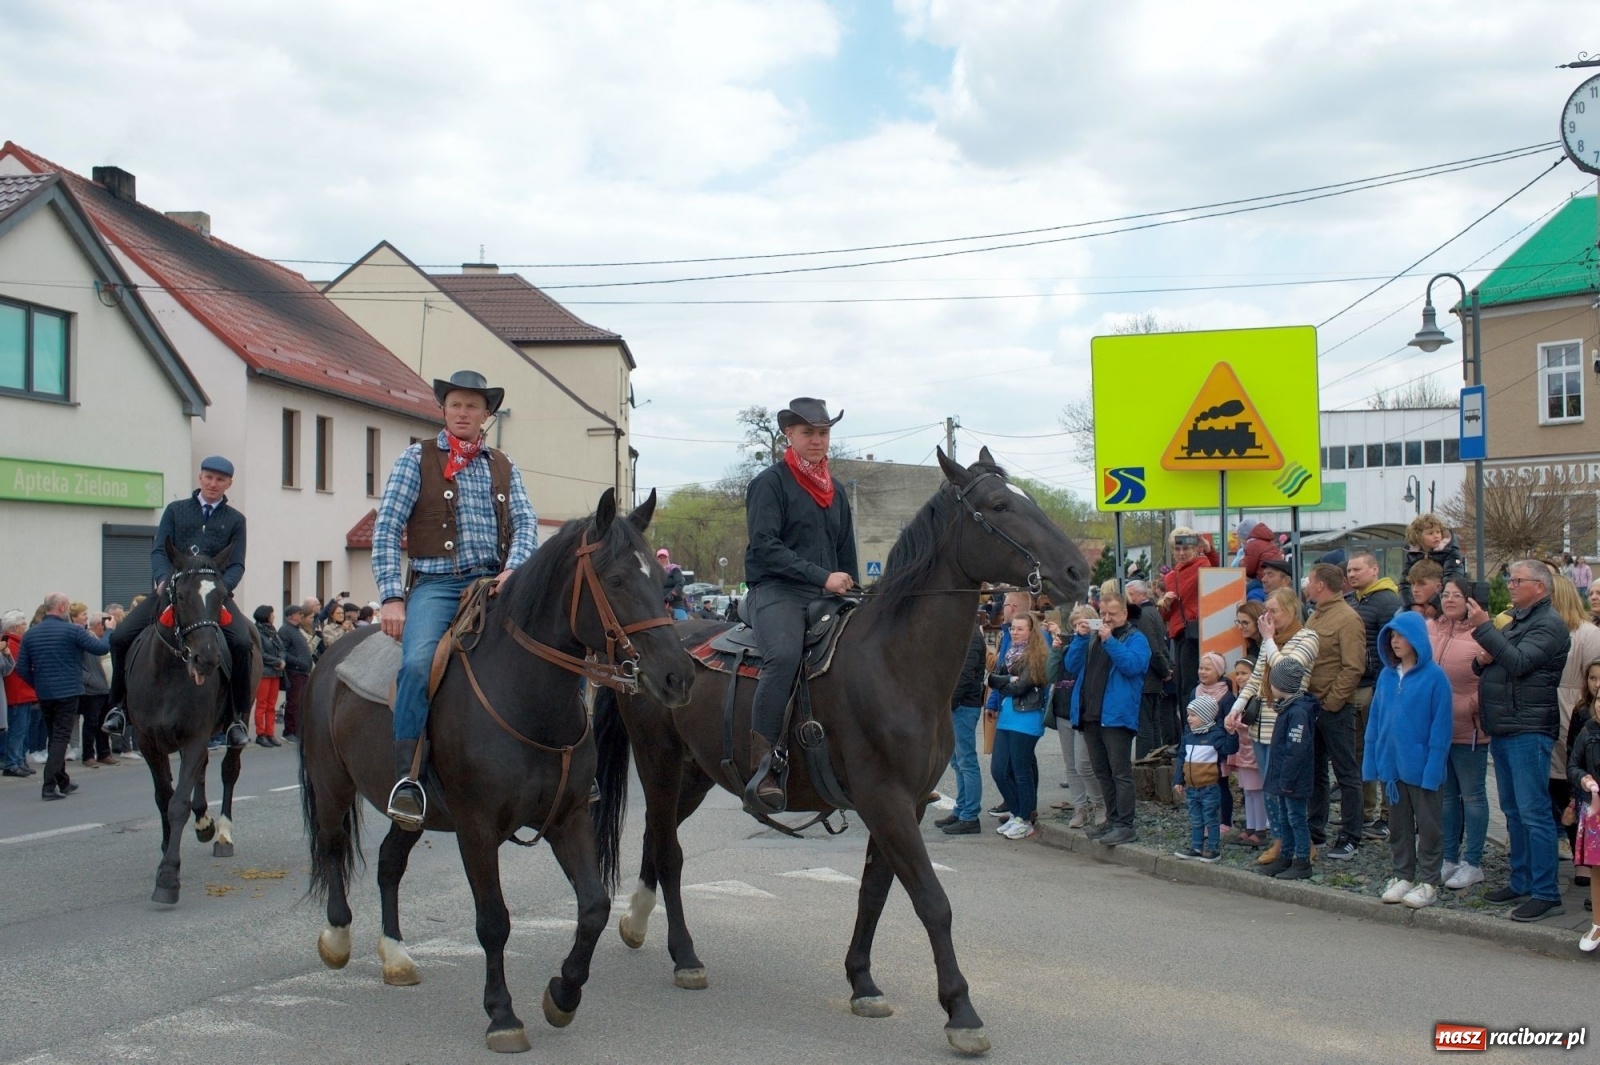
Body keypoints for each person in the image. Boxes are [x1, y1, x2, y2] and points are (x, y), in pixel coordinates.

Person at [373, 369, 539, 829]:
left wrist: (514, 567)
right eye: (455, 405)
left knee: (558, 645)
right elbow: (387, 528)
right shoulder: (415, 459)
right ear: (443, 411)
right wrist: (391, 597)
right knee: (417, 665)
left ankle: (571, 763)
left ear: (486, 414)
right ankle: (406, 778)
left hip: (496, 583)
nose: (463, 413)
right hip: (437, 585)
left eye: (472, 406)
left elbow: (526, 522)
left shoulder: (503, 464)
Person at [742, 397, 857, 811]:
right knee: (785, 657)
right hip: (777, 590)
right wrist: (821, 576)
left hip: (828, 593)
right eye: (808, 432)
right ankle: (765, 766)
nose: (817, 440)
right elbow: (765, 546)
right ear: (789, 434)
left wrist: (853, 589)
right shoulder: (769, 483)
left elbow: (847, 556)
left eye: (823, 432)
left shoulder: (836, 491)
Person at [104, 456, 253, 749]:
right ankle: (118, 708)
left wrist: (222, 588)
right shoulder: (175, 510)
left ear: (228, 484)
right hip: (173, 590)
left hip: (211, 595)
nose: (213, 484)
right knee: (121, 637)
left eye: (220, 480)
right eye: (209, 477)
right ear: (200, 478)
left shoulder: (236, 520)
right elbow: (159, 550)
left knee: (243, 643)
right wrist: (162, 579)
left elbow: (236, 564)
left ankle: (236, 717)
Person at [1469, 559, 1571, 922]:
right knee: (1512, 811)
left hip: (1529, 730)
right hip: (1506, 725)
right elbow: (1497, 660)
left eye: (1517, 580)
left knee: (1534, 813)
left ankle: (1546, 892)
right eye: (1509, 580)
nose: (1510, 585)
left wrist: (1483, 629)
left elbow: (1520, 662)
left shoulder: (1549, 625)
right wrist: (1482, 661)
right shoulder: (1518, 620)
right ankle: (1522, 878)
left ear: (1540, 587)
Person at [1365, 611, 1454, 909]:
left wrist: (1433, 769)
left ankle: (1428, 881)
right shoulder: (1387, 675)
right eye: (1391, 635)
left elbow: (1441, 728)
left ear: (1416, 639)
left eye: (1401, 635)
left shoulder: (1435, 678)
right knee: (1399, 825)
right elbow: (1375, 721)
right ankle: (1402, 874)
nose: (1395, 640)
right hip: (1392, 769)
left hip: (1422, 768)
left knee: (1429, 827)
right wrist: (1373, 761)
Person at [1227, 588, 1320, 867]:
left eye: (1274, 611)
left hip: (1286, 722)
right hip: (1261, 724)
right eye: (1266, 611)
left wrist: (1268, 640)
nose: (1267, 617)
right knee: (1270, 789)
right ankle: (1280, 841)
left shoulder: (1307, 637)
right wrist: (1235, 709)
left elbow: (1286, 669)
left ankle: (1302, 846)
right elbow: (1256, 679)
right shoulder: (1271, 642)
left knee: (1287, 789)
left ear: (1292, 609)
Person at [1064, 591, 1151, 846]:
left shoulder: (1136, 638)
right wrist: (1080, 638)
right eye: (1103, 614)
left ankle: (1125, 824)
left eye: (1112, 614)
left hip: (1117, 717)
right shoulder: (1093, 638)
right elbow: (1071, 665)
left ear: (1124, 613)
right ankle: (1111, 820)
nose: (1107, 618)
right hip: (1091, 715)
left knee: (1120, 772)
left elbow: (1133, 666)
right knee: (1102, 771)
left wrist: (1110, 641)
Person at [17, 593, 111, 800]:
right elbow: (101, 648)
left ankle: (63, 781)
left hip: (45, 693)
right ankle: (49, 786)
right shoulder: (72, 631)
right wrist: (110, 630)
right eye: (67, 605)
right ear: (60, 607)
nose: (68, 609)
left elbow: (22, 667)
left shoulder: (31, 634)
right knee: (60, 738)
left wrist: (38, 683)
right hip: (68, 691)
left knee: (54, 736)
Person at [1303, 561, 1367, 861]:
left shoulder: (1347, 618)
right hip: (1311, 706)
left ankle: (1351, 835)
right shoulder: (1316, 614)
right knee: (1315, 772)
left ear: (1320, 585)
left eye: (1310, 580)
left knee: (1345, 772)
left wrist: (1331, 702)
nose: (1306, 585)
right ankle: (1315, 829)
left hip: (1334, 708)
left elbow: (1353, 666)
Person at [1429, 576, 1489, 890]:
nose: (1450, 600)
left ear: (1470, 600)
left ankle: (1473, 862)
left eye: (1457, 595)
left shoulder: (1482, 633)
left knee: (1474, 796)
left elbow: (1492, 679)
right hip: (1438, 729)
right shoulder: (1433, 628)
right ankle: (1449, 858)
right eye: (1446, 594)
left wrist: (1471, 705)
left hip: (1471, 730)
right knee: (1448, 798)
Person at [1347, 551, 1401, 841]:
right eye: (1349, 570)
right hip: (1353, 686)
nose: (1352, 574)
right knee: (1358, 753)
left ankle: (1386, 816)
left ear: (1374, 570)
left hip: (1376, 687)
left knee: (1379, 751)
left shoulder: (1388, 602)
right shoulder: (1351, 600)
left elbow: (1392, 647)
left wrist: (1385, 685)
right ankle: (1364, 811)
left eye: (1357, 569)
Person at [985, 612, 1052, 840]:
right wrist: (1007, 682)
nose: (1015, 632)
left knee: (1021, 771)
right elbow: (992, 680)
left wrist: (1005, 683)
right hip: (1007, 717)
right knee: (998, 770)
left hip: (1027, 718)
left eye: (1020, 629)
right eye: (1013, 628)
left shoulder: (1037, 655)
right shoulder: (1010, 653)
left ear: (1031, 632)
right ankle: (1016, 814)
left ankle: (1024, 818)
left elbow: (1021, 687)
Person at [1548, 575, 1600, 867]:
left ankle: (1583, 856)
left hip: (1572, 714)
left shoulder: (1587, 633)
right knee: (1552, 785)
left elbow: (1594, 678)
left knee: (1572, 785)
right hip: (1546, 712)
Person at [1260, 657, 1319, 880]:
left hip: (1293, 779)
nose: (1270, 686)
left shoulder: (1297, 713)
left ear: (1281, 684)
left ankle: (1302, 860)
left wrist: (1287, 779)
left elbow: (1296, 750)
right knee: (1285, 817)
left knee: (1296, 818)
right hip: (1284, 778)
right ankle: (1286, 856)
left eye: (1272, 682)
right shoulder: (1287, 708)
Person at [1047, 606, 1106, 829]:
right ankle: (1079, 808)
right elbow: (1052, 673)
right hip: (1063, 709)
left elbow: (1080, 666)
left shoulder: (1098, 643)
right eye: (1075, 625)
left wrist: (1084, 638)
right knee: (1071, 766)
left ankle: (1099, 805)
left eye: (1083, 624)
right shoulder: (1069, 643)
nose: (1078, 628)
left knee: (1084, 765)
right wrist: (1055, 650)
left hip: (1083, 711)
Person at [1172, 694, 1239, 862]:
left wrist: (1232, 734)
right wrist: (1178, 780)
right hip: (1192, 788)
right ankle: (1196, 846)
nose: (1189, 719)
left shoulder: (1215, 734)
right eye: (1188, 715)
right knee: (1195, 818)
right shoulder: (1188, 735)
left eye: (1193, 715)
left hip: (1209, 787)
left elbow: (1229, 749)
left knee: (1210, 818)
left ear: (1206, 715)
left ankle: (1213, 849)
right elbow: (1182, 758)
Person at [935, 623, 988, 835]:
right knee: (957, 761)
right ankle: (961, 809)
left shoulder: (971, 635)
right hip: (957, 705)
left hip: (963, 706)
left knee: (966, 761)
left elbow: (964, 676)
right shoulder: (961, 631)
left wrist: (947, 705)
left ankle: (970, 816)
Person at [1158, 528, 1217, 700]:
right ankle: (1186, 723)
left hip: (1195, 631)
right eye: (1177, 549)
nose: (1182, 553)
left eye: (1186, 548)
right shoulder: (1170, 577)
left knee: (1190, 683)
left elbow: (1218, 571)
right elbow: (1166, 616)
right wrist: (1166, 605)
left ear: (1194, 549)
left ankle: (1192, 723)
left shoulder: (1202, 566)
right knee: (1181, 684)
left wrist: (1208, 548)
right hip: (1178, 633)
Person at [1567, 688, 1600, 949]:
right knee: (1597, 870)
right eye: (1599, 700)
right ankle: (1597, 924)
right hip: (1595, 811)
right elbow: (1573, 765)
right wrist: (1582, 778)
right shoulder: (1588, 731)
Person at [1125, 579, 1174, 755]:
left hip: (1147, 677)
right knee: (1153, 723)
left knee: (1145, 725)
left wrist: (1163, 669)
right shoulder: (1153, 611)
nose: (1128, 599)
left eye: (1130, 595)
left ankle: (1144, 761)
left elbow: (1152, 647)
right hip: (1155, 676)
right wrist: (1165, 668)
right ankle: (1153, 758)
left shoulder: (1143, 615)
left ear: (1138, 594)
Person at [1224, 656, 1268, 847]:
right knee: (1248, 791)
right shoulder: (1239, 698)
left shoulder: (1257, 698)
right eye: (1238, 674)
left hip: (1252, 750)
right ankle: (1251, 826)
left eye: (1244, 673)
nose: (1240, 677)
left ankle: (1260, 828)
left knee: (1257, 790)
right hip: (1243, 751)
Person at [79, 611, 115, 766]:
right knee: (91, 723)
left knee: (104, 723)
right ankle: (88, 755)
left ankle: (104, 752)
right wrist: (88, 679)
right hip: (92, 689)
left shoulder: (101, 638)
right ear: (100, 625)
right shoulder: (87, 638)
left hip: (105, 688)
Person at [1, 611, 34, 778]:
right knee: (17, 730)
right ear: (15, 627)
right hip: (17, 693)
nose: (25, 626)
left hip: (22, 692)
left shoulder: (15, 643)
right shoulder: (11, 644)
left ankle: (19, 760)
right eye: (22, 623)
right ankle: (12, 762)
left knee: (22, 730)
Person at [278, 603, 313, 742]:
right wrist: (299, 662)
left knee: (301, 702)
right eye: (299, 614)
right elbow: (283, 652)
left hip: (303, 671)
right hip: (294, 671)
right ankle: (289, 731)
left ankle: (298, 730)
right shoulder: (285, 630)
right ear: (291, 616)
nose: (301, 616)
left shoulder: (296, 630)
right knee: (293, 702)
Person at [252, 605, 286, 747]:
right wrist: (277, 661)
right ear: (265, 615)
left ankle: (270, 733)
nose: (274, 616)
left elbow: (282, 648)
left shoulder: (273, 631)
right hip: (264, 672)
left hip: (276, 672)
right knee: (262, 704)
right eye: (272, 614)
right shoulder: (257, 632)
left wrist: (282, 659)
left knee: (272, 705)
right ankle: (260, 733)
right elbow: (261, 653)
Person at [658, 548, 689, 621]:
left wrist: (672, 594)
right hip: (659, 604)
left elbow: (679, 583)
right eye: (660, 558)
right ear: (657, 559)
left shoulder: (675, 570)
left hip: (675, 603)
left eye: (664, 557)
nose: (662, 560)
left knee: (683, 623)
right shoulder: (654, 572)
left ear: (667, 558)